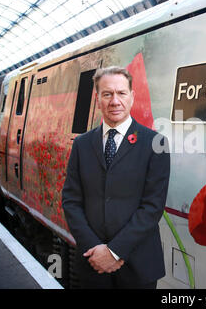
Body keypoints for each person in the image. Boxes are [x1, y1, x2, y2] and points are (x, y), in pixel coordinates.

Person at [62, 66, 170, 289]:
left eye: (121, 93)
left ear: (131, 97)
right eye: (107, 94)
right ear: (97, 98)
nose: (115, 101)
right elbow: (71, 201)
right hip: (92, 263)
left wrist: (113, 251)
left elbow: (152, 207)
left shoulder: (155, 144)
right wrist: (96, 250)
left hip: (138, 266)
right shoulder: (82, 145)